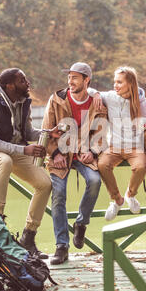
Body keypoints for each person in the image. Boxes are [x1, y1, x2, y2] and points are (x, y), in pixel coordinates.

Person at [0, 68, 60, 259]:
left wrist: (48, 133)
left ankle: (28, 237)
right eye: (22, 80)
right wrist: (23, 150)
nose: (27, 83)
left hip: (14, 149)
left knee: (45, 184)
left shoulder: (23, 101)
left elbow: (26, 133)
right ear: (10, 85)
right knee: (5, 160)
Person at [42, 62, 108, 265]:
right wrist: (54, 154)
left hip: (84, 155)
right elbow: (46, 130)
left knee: (95, 181)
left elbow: (102, 131)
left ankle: (81, 224)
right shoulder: (57, 99)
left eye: (75, 78)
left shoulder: (98, 102)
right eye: (69, 77)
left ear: (87, 80)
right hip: (60, 155)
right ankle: (61, 246)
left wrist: (94, 151)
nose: (70, 82)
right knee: (58, 195)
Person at [89, 66, 146, 221]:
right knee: (102, 165)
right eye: (115, 82)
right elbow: (88, 90)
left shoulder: (140, 102)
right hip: (115, 147)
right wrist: (97, 94)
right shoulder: (111, 97)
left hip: (135, 147)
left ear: (130, 84)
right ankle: (117, 199)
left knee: (140, 167)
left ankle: (130, 195)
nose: (115, 85)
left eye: (119, 82)